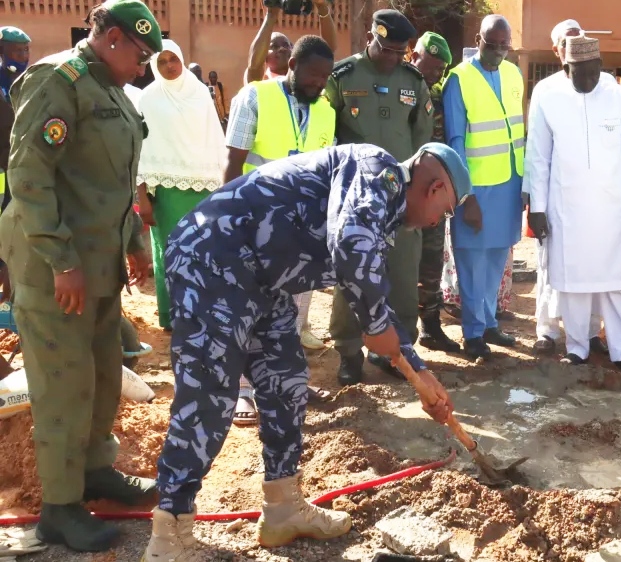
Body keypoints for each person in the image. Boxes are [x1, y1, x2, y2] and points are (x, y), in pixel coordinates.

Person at [143, 142, 469, 560]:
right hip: (214, 259)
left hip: (264, 279)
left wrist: (419, 371)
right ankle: (170, 531)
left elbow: (370, 283)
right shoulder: (376, 170)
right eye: (445, 210)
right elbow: (351, 245)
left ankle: (282, 507)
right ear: (435, 187)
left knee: (287, 384)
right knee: (210, 397)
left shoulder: (383, 205)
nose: (437, 221)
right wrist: (374, 327)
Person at [0, 0, 161, 551]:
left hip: (99, 265)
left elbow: (116, 178)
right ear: (112, 37)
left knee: (99, 376)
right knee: (63, 383)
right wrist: (61, 260)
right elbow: (28, 177)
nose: (143, 68)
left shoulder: (112, 89)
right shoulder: (56, 81)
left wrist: (136, 241)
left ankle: (94, 473)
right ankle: (60, 509)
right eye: (139, 55)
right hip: (57, 269)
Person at [224, 34, 335, 424]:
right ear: (291, 65)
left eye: (325, 77)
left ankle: (292, 383)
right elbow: (232, 165)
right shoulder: (255, 97)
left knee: (289, 313)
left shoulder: (326, 112)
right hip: (253, 226)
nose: (318, 83)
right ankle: (242, 390)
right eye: (312, 75)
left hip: (298, 231)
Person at [526, 35, 621, 375]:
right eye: (579, 73)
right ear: (567, 68)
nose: (587, 80)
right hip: (567, 209)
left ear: (600, 66)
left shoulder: (617, 97)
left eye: (593, 72)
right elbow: (538, 158)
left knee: (615, 283)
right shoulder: (550, 99)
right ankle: (577, 348)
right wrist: (537, 207)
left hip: (614, 209)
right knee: (573, 284)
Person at [325, 9, 433, 383]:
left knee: (403, 274)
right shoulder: (342, 77)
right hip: (354, 195)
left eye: (399, 52)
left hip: (400, 195)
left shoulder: (412, 80)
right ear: (371, 39)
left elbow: (422, 137)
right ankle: (349, 352)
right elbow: (326, 134)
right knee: (352, 273)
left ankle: (396, 352)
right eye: (386, 49)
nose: (392, 58)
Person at [525, 19, 608, 355]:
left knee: (592, 266)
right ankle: (547, 332)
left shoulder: (601, 87)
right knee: (549, 265)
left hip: (591, 201)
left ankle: (589, 334)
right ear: (556, 49)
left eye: (577, 38)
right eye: (564, 42)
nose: (571, 45)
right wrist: (536, 204)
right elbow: (536, 152)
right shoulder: (545, 89)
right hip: (555, 198)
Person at [443, 14, 523, 360]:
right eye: (493, 46)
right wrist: (466, 195)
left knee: (495, 258)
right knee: (472, 261)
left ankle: (489, 323)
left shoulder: (513, 73)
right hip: (476, 188)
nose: (499, 53)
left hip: (509, 180)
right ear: (479, 40)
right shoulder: (458, 80)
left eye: (505, 46)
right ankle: (473, 334)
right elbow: (456, 142)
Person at [135, 40, 225, 331]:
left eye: (174, 59)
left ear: (183, 60)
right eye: (162, 61)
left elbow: (215, 141)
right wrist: (143, 199)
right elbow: (142, 152)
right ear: (154, 66)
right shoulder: (147, 98)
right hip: (165, 192)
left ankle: (201, 312)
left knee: (204, 253)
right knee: (170, 253)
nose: (170, 66)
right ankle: (172, 316)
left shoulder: (199, 94)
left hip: (205, 190)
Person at [409, 31, 460, 354]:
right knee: (399, 264)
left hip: (432, 193)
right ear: (415, 56)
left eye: (440, 69)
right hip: (401, 192)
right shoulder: (400, 88)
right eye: (431, 67)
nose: (435, 74)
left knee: (431, 263)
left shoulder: (440, 95)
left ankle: (430, 326)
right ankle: (395, 334)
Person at [244, 0, 336, 84]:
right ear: (265, 57)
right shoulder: (260, 81)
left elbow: (327, 50)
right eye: (274, 47)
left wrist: (321, 6)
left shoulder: (304, 78)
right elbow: (254, 65)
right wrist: (271, 14)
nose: (282, 49)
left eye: (286, 45)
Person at [0, 26, 30, 210]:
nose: (23, 55)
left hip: (23, 162)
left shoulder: (31, 79)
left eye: (26, 49)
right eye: (17, 50)